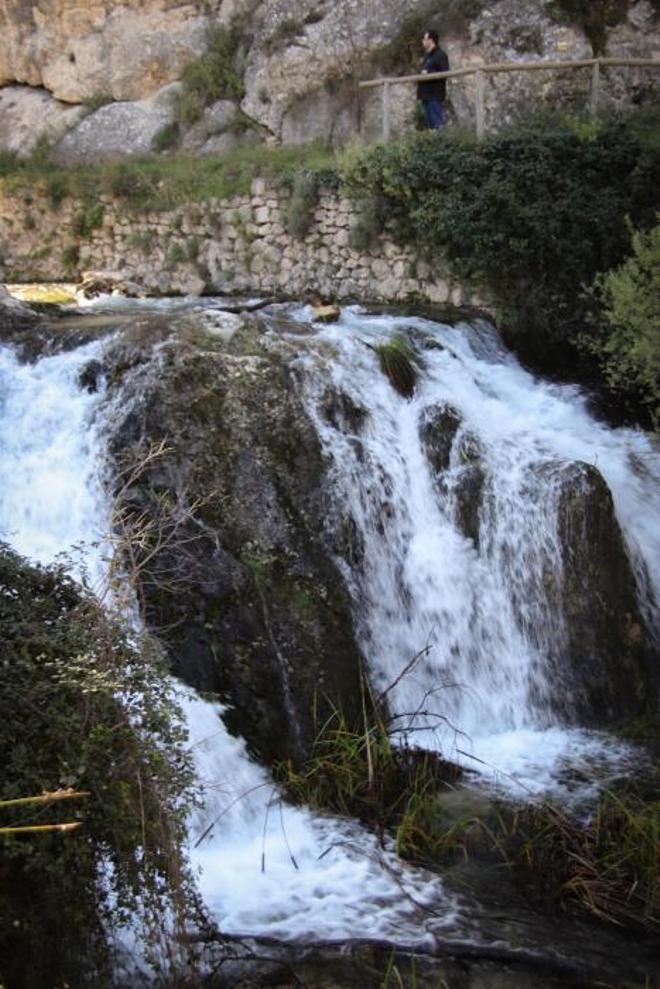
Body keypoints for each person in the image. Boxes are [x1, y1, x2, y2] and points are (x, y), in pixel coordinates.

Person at [417, 30, 449, 130]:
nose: (422, 41)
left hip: (434, 94)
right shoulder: (427, 57)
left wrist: (428, 73)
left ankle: (441, 139)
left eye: (424, 39)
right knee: (431, 125)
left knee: (437, 123)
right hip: (426, 95)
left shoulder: (440, 55)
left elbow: (445, 72)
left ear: (431, 40)